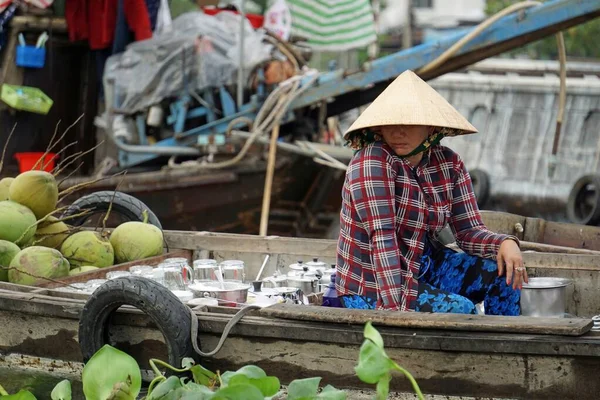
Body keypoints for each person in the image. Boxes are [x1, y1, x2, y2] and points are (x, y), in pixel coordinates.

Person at [335, 70, 528, 315]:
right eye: (391, 123)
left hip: (424, 268)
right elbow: (383, 240)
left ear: (431, 127)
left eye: (408, 122)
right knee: (462, 312)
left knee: (505, 276)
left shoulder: (448, 163)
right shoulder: (372, 161)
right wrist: (395, 315)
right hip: (372, 285)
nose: (398, 132)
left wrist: (505, 243)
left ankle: (504, 350)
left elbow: (468, 232)